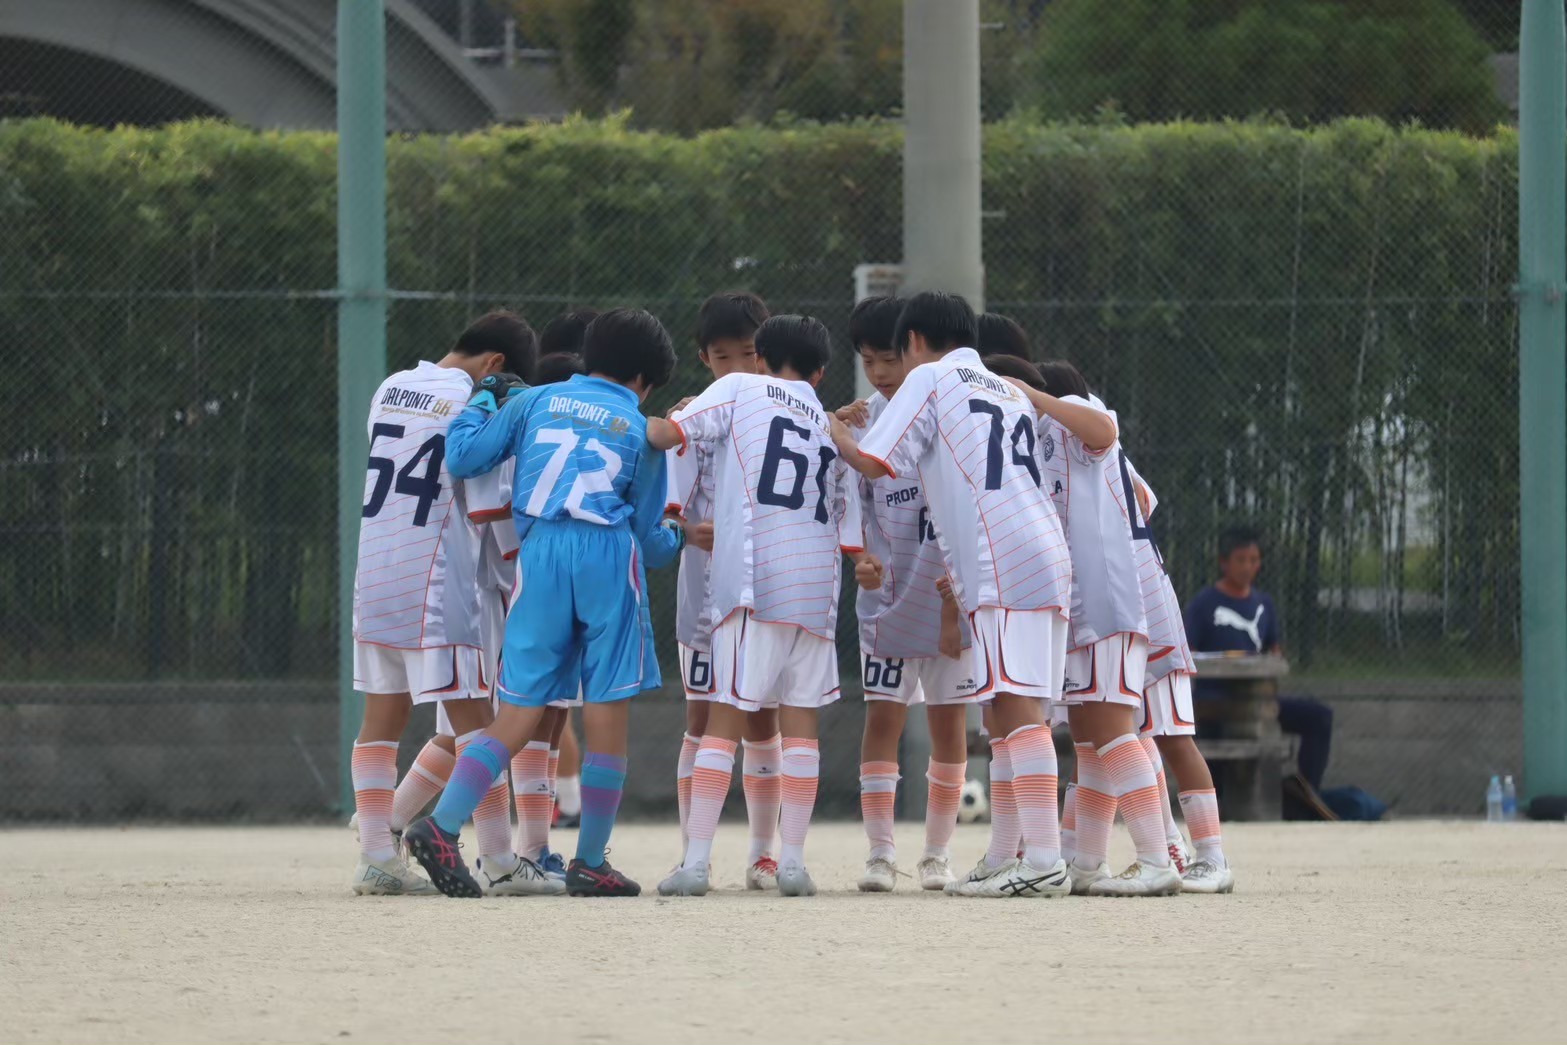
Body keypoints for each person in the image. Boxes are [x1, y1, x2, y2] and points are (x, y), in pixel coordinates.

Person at [403, 308, 685, 898]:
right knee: (606, 708)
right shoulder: (640, 427)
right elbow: (648, 539)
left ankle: (442, 825)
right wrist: (681, 534)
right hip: (606, 555)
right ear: (644, 382)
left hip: (539, 554)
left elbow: (463, 456)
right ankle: (591, 861)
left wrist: (483, 398)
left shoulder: (534, 400)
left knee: (516, 712)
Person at [830, 291, 1073, 900]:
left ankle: (1044, 860)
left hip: (1000, 559)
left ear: (913, 342)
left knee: (1016, 710)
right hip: (1044, 550)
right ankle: (1004, 856)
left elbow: (874, 461)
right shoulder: (1004, 386)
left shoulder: (930, 377)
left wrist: (832, 428)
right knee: (1013, 711)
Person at [649, 315, 872, 898]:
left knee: (724, 720)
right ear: (820, 373)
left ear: (761, 358)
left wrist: (634, 419)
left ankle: (696, 863)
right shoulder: (826, 421)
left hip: (754, 580)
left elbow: (669, 435)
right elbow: (844, 513)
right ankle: (791, 863)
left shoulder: (738, 388)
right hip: (816, 589)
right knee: (800, 728)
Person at [346, 311, 538, 896]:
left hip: (376, 570)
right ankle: (499, 860)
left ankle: (377, 858)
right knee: (478, 725)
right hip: (438, 579)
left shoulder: (390, 387)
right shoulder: (476, 405)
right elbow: (487, 501)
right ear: (496, 366)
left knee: (380, 720)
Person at [990, 354, 1181, 897]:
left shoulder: (1069, 417)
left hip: (1103, 603)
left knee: (1113, 730)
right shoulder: (1028, 444)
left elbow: (1104, 430)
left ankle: (1156, 858)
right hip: (1078, 609)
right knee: (1093, 739)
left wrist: (1037, 398)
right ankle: (1089, 863)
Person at [835, 295, 975, 893]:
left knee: (949, 724)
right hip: (889, 596)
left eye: (889, 359)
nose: (879, 372)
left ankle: (937, 854)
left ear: (914, 350)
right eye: (867, 361)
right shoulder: (858, 421)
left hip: (949, 593)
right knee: (883, 717)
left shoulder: (951, 405)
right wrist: (861, 560)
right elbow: (851, 503)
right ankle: (879, 853)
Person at [665, 291, 785, 890]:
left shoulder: (786, 413)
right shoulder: (689, 420)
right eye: (722, 357)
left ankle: (764, 854)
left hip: (765, 593)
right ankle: (695, 854)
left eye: (749, 353)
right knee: (701, 716)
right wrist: (689, 531)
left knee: (762, 719)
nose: (738, 368)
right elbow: (668, 511)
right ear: (703, 359)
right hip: (703, 595)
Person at [1122, 460, 1234, 894]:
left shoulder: (1098, 447)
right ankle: (1172, 844)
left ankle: (1213, 857)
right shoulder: (1095, 451)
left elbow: (1144, 502)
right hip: (1123, 614)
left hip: (1149, 615)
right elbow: (1145, 501)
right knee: (1131, 736)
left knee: (1173, 738)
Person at [1185, 527, 1335, 800]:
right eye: (1241, 560)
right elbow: (1186, 651)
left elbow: (1273, 649)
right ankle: (1213, 806)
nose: (1248, 567)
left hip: (1257, 703)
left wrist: (1275, 659)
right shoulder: (1204, 603)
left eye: (1254, 560)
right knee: (1215, 758)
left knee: (1319, 717)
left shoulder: (1264, 603)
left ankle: (1307, 795)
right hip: (1213, 703)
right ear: (1224, 562)